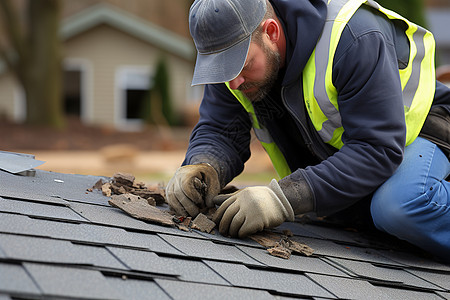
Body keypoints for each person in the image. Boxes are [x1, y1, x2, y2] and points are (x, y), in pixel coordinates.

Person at [166, 0, 450, 262]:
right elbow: (220, 129)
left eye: (242, 65)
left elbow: (376, 149)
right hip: (368, 164)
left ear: (272, 32)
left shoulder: (353, 37)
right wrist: (202, 165)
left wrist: (283, 198)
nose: (233, 82)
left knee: (400, 205)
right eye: (222, 70)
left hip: (427, 133)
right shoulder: (233, 63)